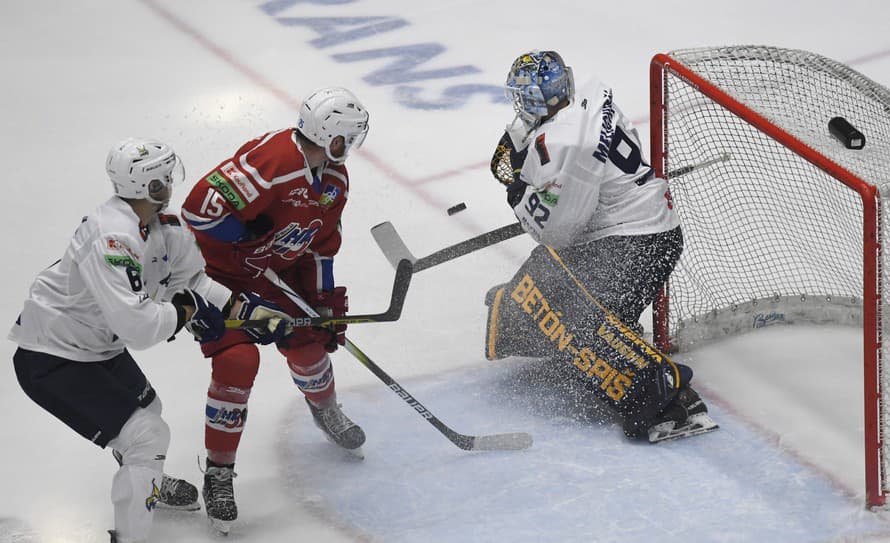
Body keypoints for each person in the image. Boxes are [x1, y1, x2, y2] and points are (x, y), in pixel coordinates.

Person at [10, 138, 236, 543]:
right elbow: (140, 326)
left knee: (149, 407)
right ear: (149, 186)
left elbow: (194, 280)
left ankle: (146, 476)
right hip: (53, 355)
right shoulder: (111, 236)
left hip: (96, 345)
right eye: (165, 176)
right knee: (148, 436)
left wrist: (240, 307)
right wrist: (187, 312)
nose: (171, 181)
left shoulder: (162, 226)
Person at [485, 51, 717, 443]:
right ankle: (613, 329)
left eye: (524, 98)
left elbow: (557, 236)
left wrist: (519, 195)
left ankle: (668, 398)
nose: (520, 106)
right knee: (540, 287)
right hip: (641, 233)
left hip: (636, 243)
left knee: (567, 317)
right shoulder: (589, 94)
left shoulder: (564, 145)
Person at [180, 86, 370, 533]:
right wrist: (241, 232)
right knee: (238, 361)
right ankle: (219, 473)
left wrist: (322, 302)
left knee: (309, 343)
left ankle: (326, 410)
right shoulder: (274, 162)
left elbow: (322, 248)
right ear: (330, 137)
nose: (352, 149)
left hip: (273, 273)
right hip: (217, 278)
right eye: (348, 138)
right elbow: (196, 211)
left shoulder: (335, 180)